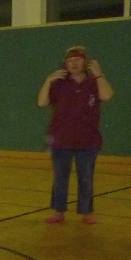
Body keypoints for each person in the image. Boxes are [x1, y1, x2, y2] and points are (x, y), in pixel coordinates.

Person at [37, 45, 114, 224]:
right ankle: (59, 211)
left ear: (85, 62)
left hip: (88, 140)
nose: (73, 63)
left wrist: (98, 74)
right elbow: (42, 102)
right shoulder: (59, 84)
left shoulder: (93, 83)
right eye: (70, 60)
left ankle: (86, 212)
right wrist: (48, 80)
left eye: (77, 59)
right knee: (60, 178)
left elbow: (107, 95)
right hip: (61, 140)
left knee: (86, 178)